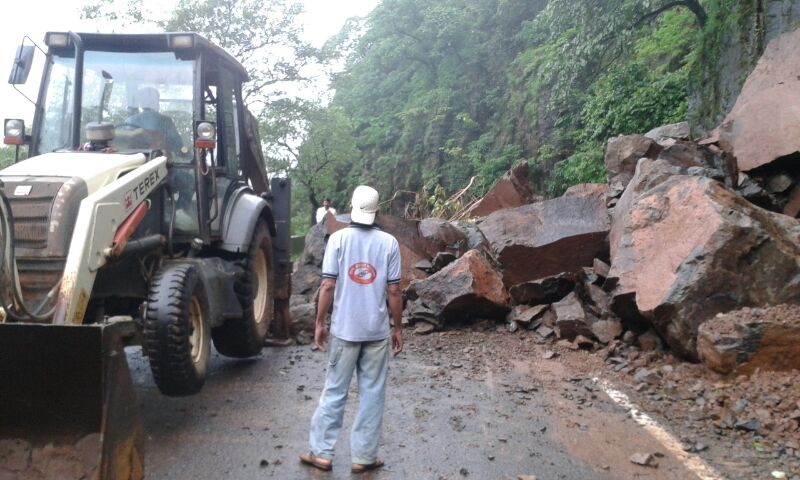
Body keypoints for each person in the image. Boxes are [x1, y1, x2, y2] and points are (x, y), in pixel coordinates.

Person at [300, 185, 403, 474]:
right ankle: (364, 457)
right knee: (372, 394)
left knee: (334, 391)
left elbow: (328, 285)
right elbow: (394, 292)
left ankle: (321, 453)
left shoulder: (338, 240)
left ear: (352, 207)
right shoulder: (389, 243)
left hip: (344, 332)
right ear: (377, 211)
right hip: (376, 333)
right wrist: (398, 328)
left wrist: (320, 322)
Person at [125, 87, 184, 154]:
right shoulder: (166, 121)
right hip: (162, 160)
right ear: (155, 102)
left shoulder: (129, 121)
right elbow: (178, 146)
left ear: (141, 103)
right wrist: (186, 153)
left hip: (135, 161)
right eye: (157, 100)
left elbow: (124, 145)